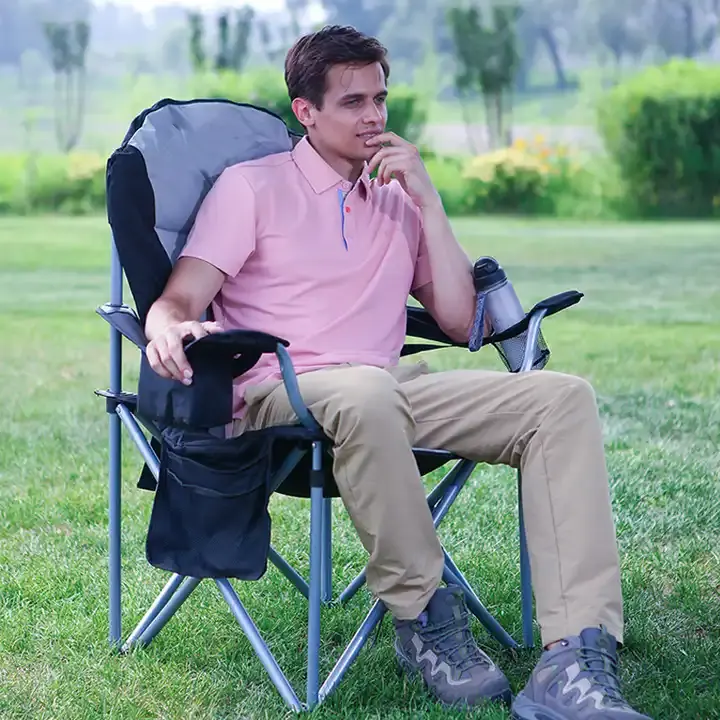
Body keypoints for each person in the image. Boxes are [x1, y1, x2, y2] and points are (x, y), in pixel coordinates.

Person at [143, 24, 652, 720]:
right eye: (353, 102)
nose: (375, 117)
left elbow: (454, 319)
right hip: (276, 392)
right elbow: (179, 298)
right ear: (306, 111)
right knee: (366, 389)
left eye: (381, 99)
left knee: (560, 398)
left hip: (385, 387)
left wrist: (427, 201)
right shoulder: (251, 189)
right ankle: (424, 621)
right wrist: (166, 327)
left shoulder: (394, 197)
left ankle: (575, 655)